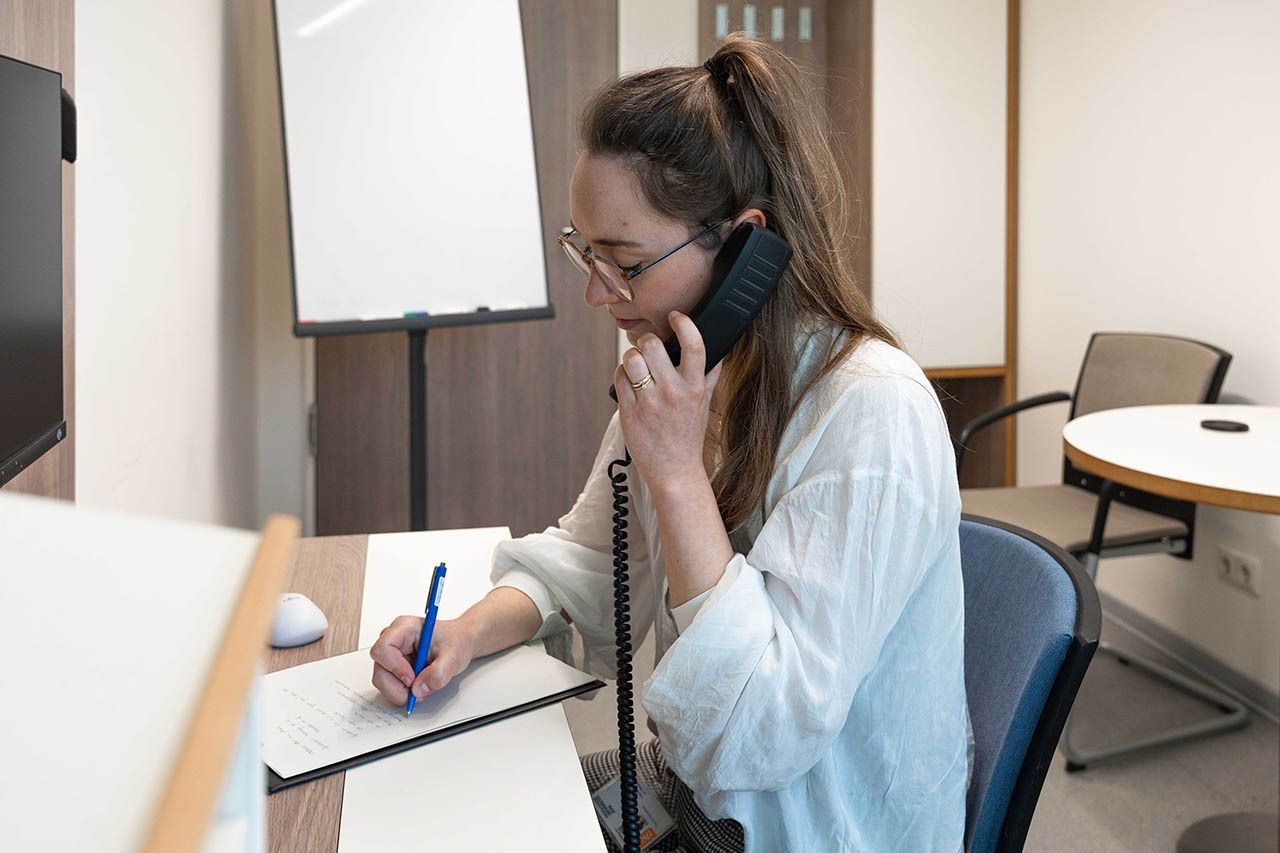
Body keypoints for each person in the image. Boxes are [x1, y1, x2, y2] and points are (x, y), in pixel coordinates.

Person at [370, 35, 970, 852]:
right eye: (585, 252)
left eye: (625, 262)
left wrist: (680, 478)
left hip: (799, 827)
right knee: (453, 811)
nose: (597, 294)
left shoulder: (871, 414)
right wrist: (467, 631)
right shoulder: (688, 379)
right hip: (684, 784)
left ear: (745, 246)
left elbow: (761, 736)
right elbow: (588, 559)